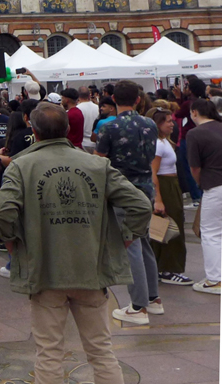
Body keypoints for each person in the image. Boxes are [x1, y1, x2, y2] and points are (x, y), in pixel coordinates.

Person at [0, 101, 150, 384]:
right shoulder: (97, 164)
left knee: (49, 352)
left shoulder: (21, 166)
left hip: (45, 271)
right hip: (90, 269)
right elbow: (140, 204)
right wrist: (126, 239)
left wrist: (12, 243)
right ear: (66, 129)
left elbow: (1, 211)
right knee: (101, 351)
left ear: (34, 130)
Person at [96, 80, 162, 324]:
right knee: (144, 242)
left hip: (123, 190)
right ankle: (154, 299)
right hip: (146, 188)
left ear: (113, 99)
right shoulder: (150, 124)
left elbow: (99, 160)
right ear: (138, 99)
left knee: (132, 245)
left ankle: (138, 306)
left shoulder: (109, 127)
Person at [149, 109, 191, 285]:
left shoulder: (165, 141)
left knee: (166, 227)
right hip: (165, 186)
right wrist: (158, 198)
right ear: (158, 124)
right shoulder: (158, 144)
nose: (171, 124)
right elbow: (153, 172)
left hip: (171, 185)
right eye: (167, 121)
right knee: (171, 227)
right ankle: (169, 269)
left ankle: (161, 267)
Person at [187, 97, 222, 294]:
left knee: (210, 233)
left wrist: (200, 183)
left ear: (194, 112)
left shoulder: (195, 134)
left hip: (214, 184)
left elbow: (195, 167)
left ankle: (215, 279)